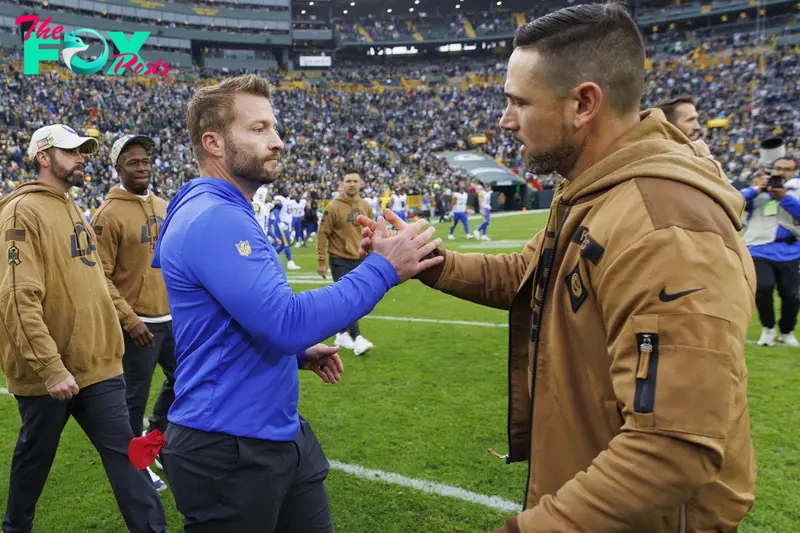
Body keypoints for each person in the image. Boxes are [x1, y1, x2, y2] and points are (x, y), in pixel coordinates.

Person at [359, 4, 756, 531]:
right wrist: (427, 260)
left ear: (583, 104)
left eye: (519, 102)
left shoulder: (666, 228)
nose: (505, 120)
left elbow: (672, 448)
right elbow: (525, 274)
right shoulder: (594, 191)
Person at [151, 74, 443, 533]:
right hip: (227, 445)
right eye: (259, 129)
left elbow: (230, 321)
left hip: (273, 432)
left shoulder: (219, 208)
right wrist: (385, 269)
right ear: (213, 142)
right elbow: (284, 322)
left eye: (274, 127)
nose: (278, 141)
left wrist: (296, 353)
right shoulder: (215, 217)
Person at [0, 124, 167, 533]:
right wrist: (50, 367)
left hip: (98, 366)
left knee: (128, 455)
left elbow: (93, 282)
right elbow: (17, 297)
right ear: (44, 156)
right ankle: (15, 527)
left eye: (83, 151)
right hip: (51, 373)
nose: (81, 158)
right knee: (33, 460)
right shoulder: (22, 211)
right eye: (72, 151)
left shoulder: (70, 204)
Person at [91, 134, 177, 491]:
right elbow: (100, 278)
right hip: (137, 325)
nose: (142, 168)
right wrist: (130, 319)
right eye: (133, 163)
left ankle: (153, 438)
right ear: (118, 168)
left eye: (145, 161)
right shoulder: (107, 215)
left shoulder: (164, 204)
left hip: (173, 320)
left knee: (188, 381)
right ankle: (135, 468)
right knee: (132, 401)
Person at [741, 155, 800, 346]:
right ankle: (768, 329)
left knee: (792, 295)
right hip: (758, 248)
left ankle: (786, 331)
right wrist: (756, 189)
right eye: (778, 168)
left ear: (793, 172)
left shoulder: (796, 191)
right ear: (772, 169)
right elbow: (736, 201)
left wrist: (784, 198)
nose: (781, 172)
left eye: (786, 169)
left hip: (790, 249)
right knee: (763, 287)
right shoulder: (759, 190)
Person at [316, 169, 375, 356]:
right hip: (339, 258)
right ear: (342, 183)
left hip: (360, 258)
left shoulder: (366, 206)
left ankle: (342, 333)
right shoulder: (333, 207)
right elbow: (322, 233)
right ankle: (358, 338)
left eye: (355, 181)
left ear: (361, 184)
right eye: (348, 180)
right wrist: (321, 261)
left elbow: (370, 232)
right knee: (350, 298)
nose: (351, 184)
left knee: (354, 298)